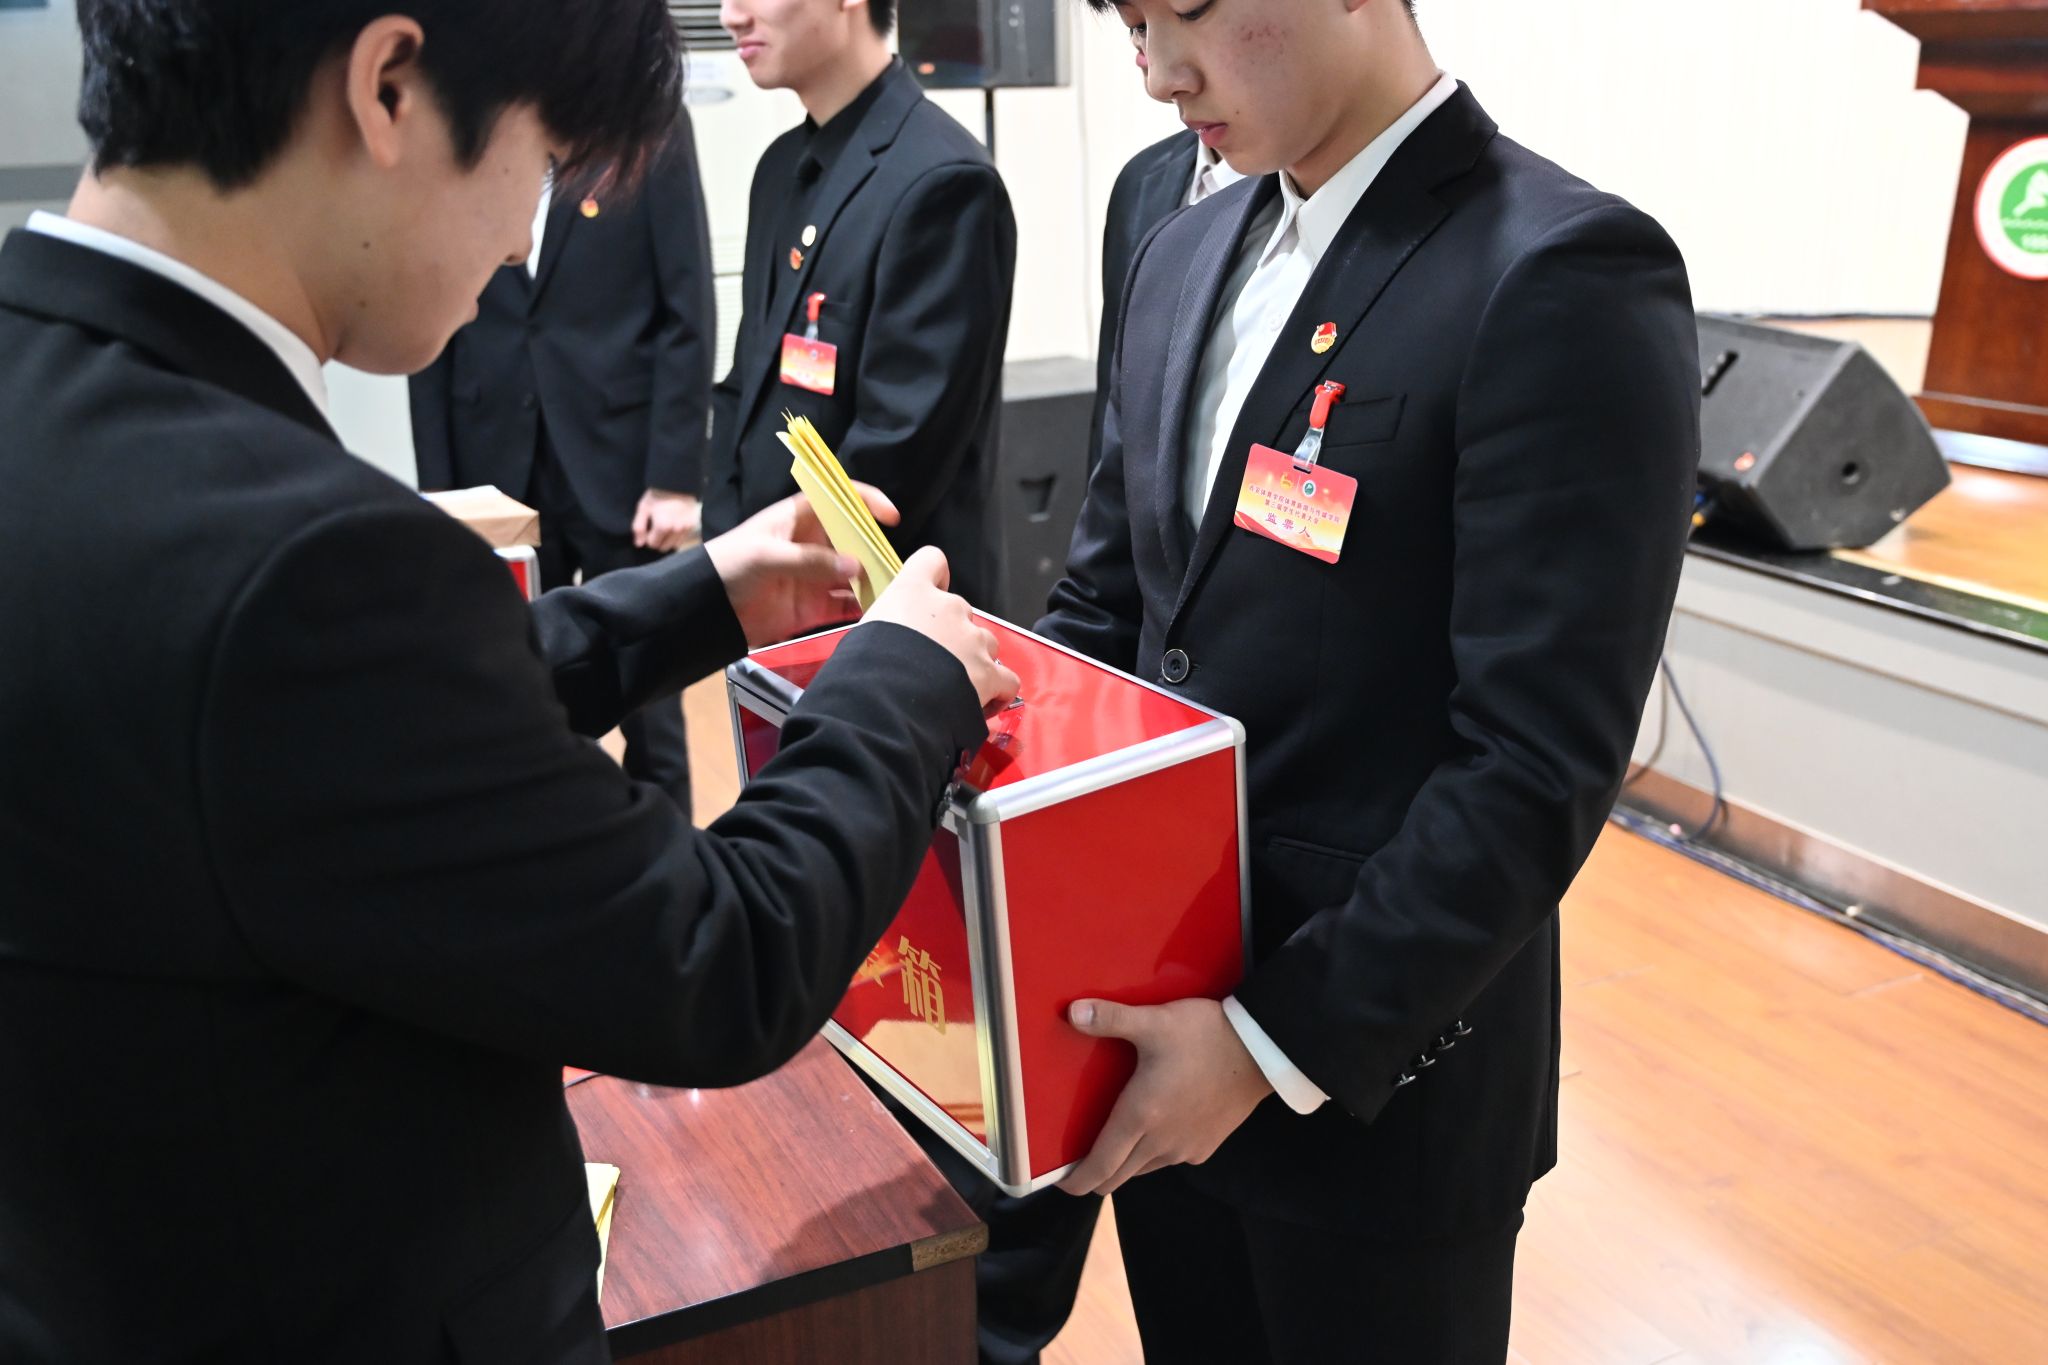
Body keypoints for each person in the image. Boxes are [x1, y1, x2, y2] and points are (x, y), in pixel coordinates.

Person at [0, 3, 1016, 1361]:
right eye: (539, 163)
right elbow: (717, 956)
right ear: (389, 86)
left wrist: (703, 593)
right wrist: (898, 677)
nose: (522, 242)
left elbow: (339, 744)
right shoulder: (306, 563)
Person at [1035, 0, 1702, 1359]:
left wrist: (1264, 1044)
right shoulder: (1177, 249)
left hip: (1375, 1076)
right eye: (1135, 24)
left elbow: (1531, 765)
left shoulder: (1558, 269)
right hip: (1154, 1044)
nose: (1162, 74)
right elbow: (1112, 607)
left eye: (1192, 11)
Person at [409, 108, 717, 810]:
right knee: (514, 686)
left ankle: (671, 863)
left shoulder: (648, 120)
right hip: (493, 463)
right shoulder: (468, 111)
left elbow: (687, 306)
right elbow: (431, 323)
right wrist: (443, 494)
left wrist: (674, 478)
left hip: (621, 468)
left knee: (650, 700)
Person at [704, 0, 1017, 608]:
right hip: (768, 590)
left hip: (883, 608)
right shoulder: (781, 168)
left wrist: (774, 564)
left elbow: (898, 448)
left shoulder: (942, 178)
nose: (729, 15)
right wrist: (726, 552)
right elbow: (745, 385)